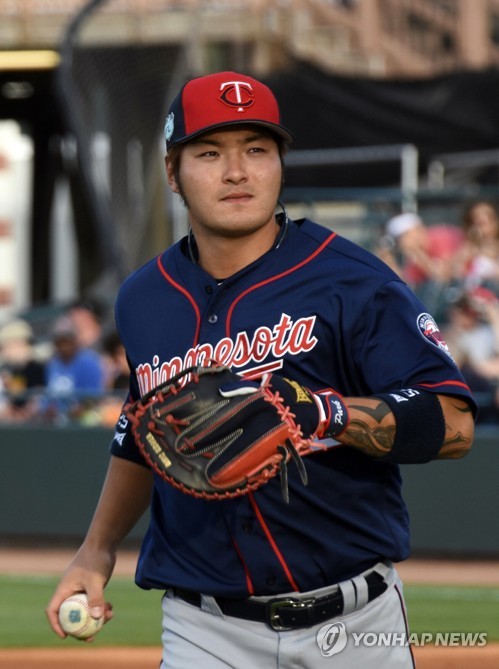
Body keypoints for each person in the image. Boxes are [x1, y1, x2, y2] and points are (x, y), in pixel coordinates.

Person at [46, 71, 476, 668]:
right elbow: (144, 430)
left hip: (353, 622)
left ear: (280, 163)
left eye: (256, 149)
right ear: (172, 172)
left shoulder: (354, 279)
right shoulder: (144, 299)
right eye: (209, 153)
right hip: (205, 627)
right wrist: (96, 550)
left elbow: (455, 423)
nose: (237, 172)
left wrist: (323, 412)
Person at [376, 212, 464, 319]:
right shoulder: (414, 257)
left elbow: (443, 275)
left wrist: (417, 253)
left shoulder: (441, 236)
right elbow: (406, 286)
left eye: (405, 236)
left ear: (418, 229)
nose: (403, 242)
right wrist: (388, 263)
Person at [43, 316, 105, 423]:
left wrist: (74, 411)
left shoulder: (89, 362)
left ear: (75, 340)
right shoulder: (52, 363)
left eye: (68, 340)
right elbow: (49, 396)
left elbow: (93, 398)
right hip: (56, 420)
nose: (64, 345)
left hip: (84, 418)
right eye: (60, 341)